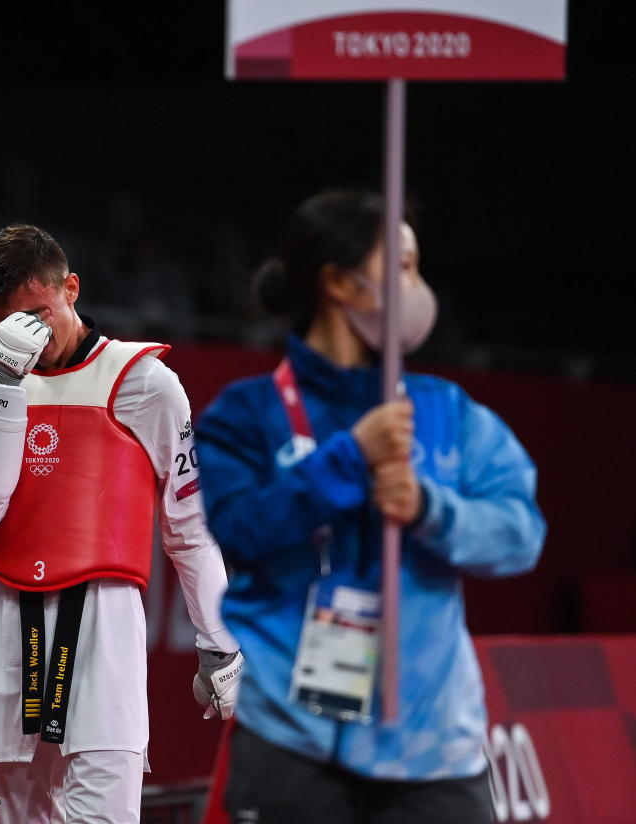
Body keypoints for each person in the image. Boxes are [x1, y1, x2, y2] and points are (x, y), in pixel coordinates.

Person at [194, 189, 546, 824]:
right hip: (292, 743)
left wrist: (430, 508)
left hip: (433, 752)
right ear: (340, 283)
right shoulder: (246, 415)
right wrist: (347, 459)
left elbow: (521, 533)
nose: (418, 287)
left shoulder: (447, 412)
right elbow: (241, 532)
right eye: (403, 266)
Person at [0, 223, 243, 824]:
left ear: (71, 288)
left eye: (38, 314)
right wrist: (3, 382)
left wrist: (219, 642)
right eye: (8, 320)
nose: (25, 335)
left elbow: (188, 520)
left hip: (105, 618)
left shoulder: (145, 382)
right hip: (6, 619)